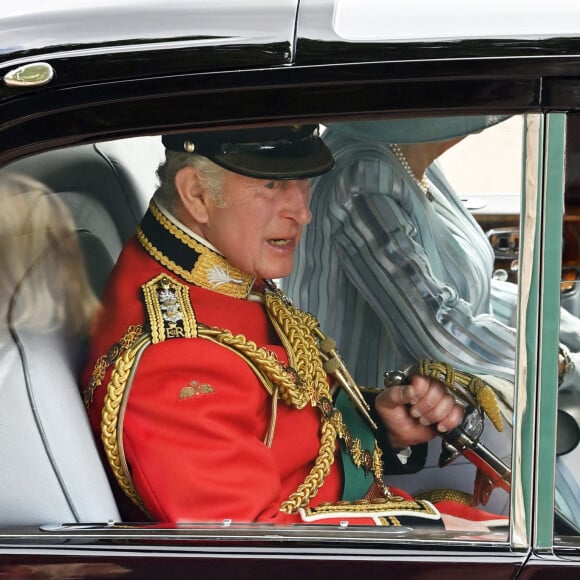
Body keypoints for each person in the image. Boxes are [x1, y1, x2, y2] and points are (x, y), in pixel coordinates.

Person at [82, 124, 506, 529]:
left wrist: (378, 425)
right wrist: (429, 529)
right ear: (196, 194)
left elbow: (286, 414)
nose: (303, 212)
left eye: (302, 180)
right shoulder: (171, 359)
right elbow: (243, 547)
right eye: (271, 185)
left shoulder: (214, 267)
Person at [283, 116, 580, 512]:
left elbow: (478, 294)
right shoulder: (361, 179)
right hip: (389, 443)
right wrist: (559, 363)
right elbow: (437, 331)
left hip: (449, 416)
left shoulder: (408, 159)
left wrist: (568, 335)